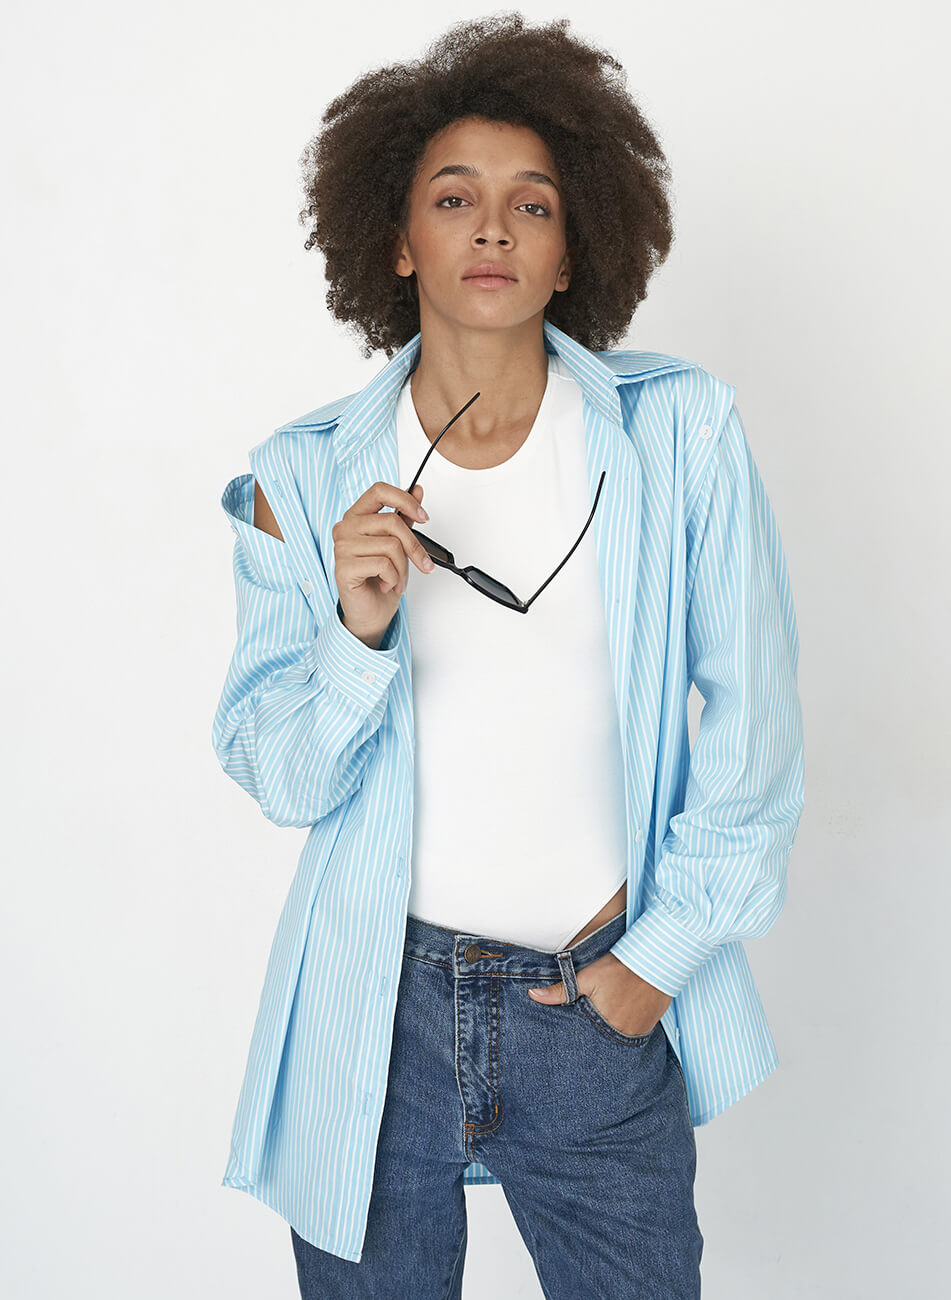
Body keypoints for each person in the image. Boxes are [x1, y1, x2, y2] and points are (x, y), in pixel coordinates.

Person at [213, 13, 805, 1299]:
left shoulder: (680, 435)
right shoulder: (297, 480)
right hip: (375, 1019)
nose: (492, 229)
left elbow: (756, 727)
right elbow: (280, 775)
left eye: (531, 204)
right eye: (454, 198)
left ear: (572, 244)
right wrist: (355, 632)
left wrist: (654, 965)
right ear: (396, 237)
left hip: (593, 1004)